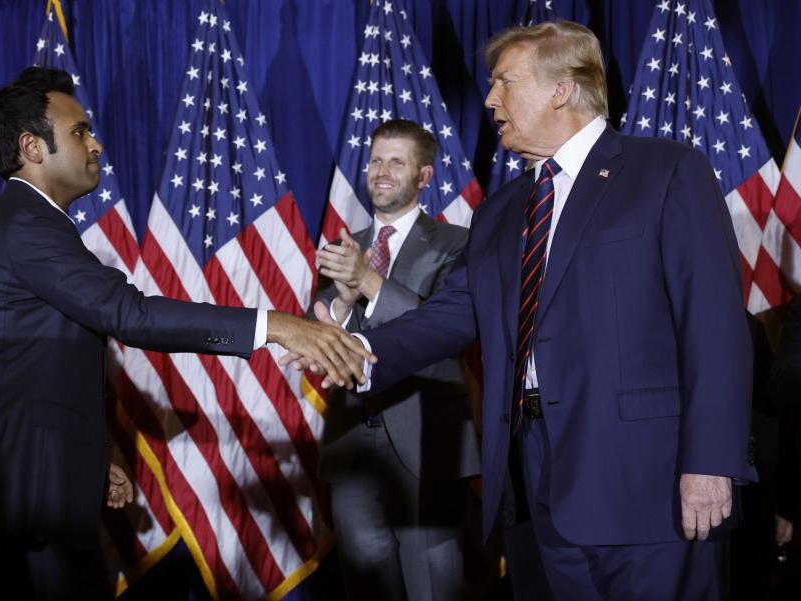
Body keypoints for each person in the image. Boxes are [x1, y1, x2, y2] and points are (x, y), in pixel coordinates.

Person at [306, 20, 754, 599]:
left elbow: (713, 328)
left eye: (504, 82)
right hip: (533, 482)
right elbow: (453, 311)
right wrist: (355, 349)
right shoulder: (501, 210)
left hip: (651, 483)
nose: (491, 99)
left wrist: (712, 461)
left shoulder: (665, 171)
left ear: (561, 89)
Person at [0, 66, 369, 601]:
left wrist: (95, 450)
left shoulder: (26, 222)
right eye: (80, 131)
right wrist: (277, 326)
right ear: (32, 147)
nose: (96, 143)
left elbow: (29, 364)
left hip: (28, 489)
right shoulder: (24, 224)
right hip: (18, 503)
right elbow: (131, 315)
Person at [312, 119, 479, 600]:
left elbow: (445, 330)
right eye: (375, 160)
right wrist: (342, 303)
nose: (381, 171)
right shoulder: (345, 247)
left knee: (434, 583)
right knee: (365, 583)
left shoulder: (458, 245)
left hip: (427, 434)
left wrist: (366, 281)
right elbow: (320, 329)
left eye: (396, 162)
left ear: (423, 177)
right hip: (351, 443)